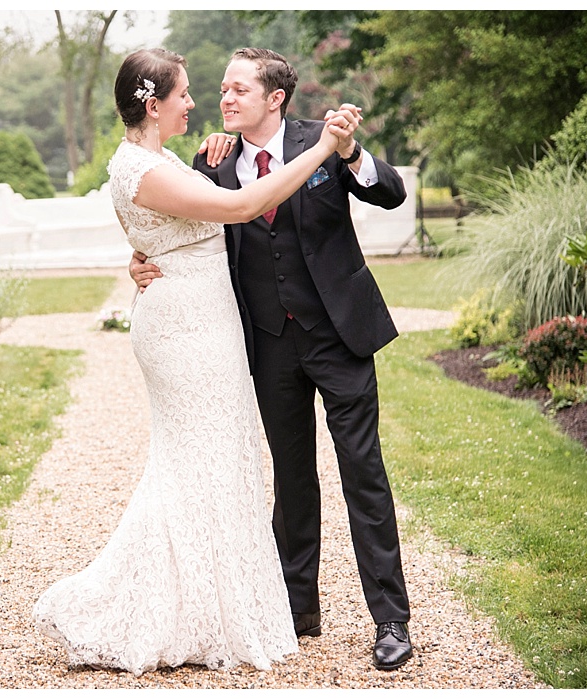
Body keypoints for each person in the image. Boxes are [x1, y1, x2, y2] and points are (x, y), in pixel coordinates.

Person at [31, 47, 358, 674]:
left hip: (203, 323)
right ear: (154, 105)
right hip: (186, 334)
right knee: (197, 465)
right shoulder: (142, 170)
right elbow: (237, 208)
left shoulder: (158, 159)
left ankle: (205, 607)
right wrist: (319, 150)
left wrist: (142, 254)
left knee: (216, 463)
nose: (193, 102)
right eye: (183, 94)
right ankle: (146, 606)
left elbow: (169, 227)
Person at [131, 47, 413, 671]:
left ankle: (390, 619)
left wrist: (353, 154)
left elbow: (389, 193)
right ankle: (299, 607)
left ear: (275, 98)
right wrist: (140, 259)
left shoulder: (326, 141)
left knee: (362, 471)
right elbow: (179, 226)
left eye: (238, 90)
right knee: (291, 477)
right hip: (267, 342)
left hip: (339, 337)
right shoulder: (216, 160)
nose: (224, 99)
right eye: (221, 89)